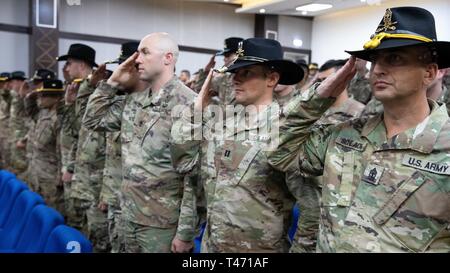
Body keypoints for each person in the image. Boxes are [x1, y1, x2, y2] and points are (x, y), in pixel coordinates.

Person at [268, 6, 450, 252]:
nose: (378, 69)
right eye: (375, 60)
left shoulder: (444, 146)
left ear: (429, 72)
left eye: (395, 58)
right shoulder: (344, 135)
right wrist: (321, 94)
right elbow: (277, 151)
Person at [175, 38, 305, 252]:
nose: (236, 79)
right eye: (235, 72)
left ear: (271, 79)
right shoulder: (221, 123)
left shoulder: (285, 130)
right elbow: (194, 177)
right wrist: (185, 232)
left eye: (247, 73)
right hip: (212, 245)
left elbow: (310, 206)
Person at [82, 32, 198, 253]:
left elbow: (194, 178)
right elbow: (93, 120)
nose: (136, 59)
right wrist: (112, 82)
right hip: (128, 215)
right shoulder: (134, 101)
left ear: (168, 58)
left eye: (145, 52)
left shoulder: (189, 104)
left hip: (162, 225)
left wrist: (185, 233)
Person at [26, 79, 65, 213]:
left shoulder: (58, 119)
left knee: (50, 212)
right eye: (40, 94)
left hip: (50, 176)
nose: (40, 97)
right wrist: (31, 96)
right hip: (37, 171)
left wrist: (60, 174)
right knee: (35, 210)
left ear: (56, 98)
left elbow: (62, 149)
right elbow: (30, 110)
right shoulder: (43, 113)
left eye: (44, 95)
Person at [193, 37, 244, 105]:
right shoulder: (224, 78)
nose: (224, 59)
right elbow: (200, 91)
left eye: (227, 55)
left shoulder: (251, 78)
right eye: (224, 56)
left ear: (239, 55)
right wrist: (206, 72)